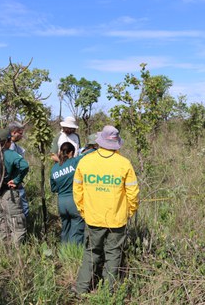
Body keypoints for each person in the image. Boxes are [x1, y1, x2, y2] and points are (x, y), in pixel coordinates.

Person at [73, 125, 140, 294]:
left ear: (100, 141)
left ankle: (81, 289)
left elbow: (77, 192)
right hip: (117, 220)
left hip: (92, 218)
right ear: (116, 143)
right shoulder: (124, 164)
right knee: (113, 254)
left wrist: (84, 212)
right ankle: (108, 292)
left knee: (91, 253)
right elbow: (133, 194)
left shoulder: (85, 161)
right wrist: (129, 212)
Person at [50, 142, 90, 244]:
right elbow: (86, 154)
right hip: (73, 201)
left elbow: (53, 188)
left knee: (65, 229)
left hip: (61, 203)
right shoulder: (74, 162)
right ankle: (74, 254)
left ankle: (63, 254)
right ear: (71, 152)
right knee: (76, 230)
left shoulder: (54, 168)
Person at [8, 121, 30, 219]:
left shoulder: (16, 147)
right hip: (13, 183)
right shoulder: (9, 146)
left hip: (15, 182)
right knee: (22, 208)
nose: (22, 136)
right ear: (13, 132)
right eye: (20, 133)